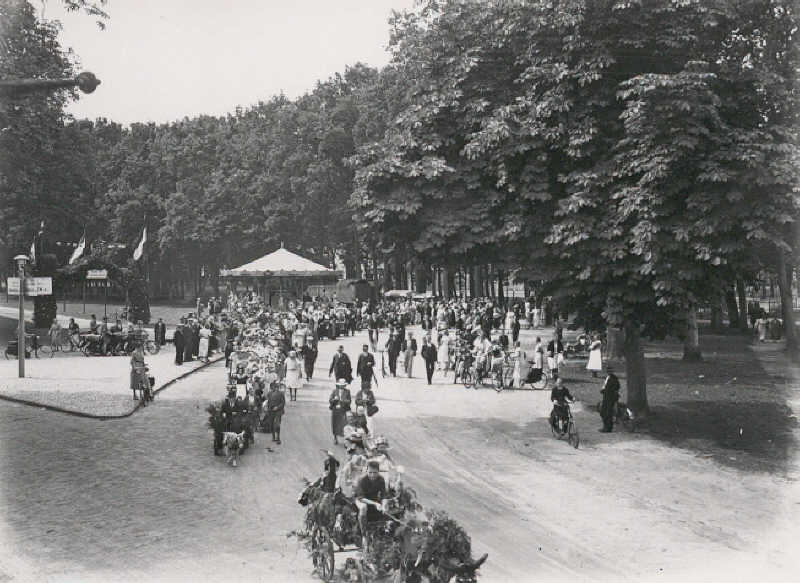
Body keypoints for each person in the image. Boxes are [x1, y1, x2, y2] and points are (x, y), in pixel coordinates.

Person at [355, 460, 387, 547]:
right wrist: (376, 504)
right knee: (363, 507)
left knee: (387, 509)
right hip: (361, 500)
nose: (372, 475)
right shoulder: (361, 480)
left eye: (375, 473)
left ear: (378, 471)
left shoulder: (381, 479)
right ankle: (364, 535)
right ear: (367, 471)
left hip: (374, 500)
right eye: (370, 472)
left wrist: (384, 505)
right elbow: (361, 498)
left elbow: (384, 495)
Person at [329, 379, 352, 445]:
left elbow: (349, 401)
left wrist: (343, 401)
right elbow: (330, 400)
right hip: (336, 410)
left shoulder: (347, 391)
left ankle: (345, 440)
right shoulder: (334, 391)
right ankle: (335, 438)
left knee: (344, 425)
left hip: (344, 410)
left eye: (343, 385)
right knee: (335, 424)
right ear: (338, 385)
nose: (342, 386)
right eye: (341, 385)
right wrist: (334, 399)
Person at [599, 366, 620, 432]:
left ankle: (608, 428)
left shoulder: (614, 378)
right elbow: (605, 386)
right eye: (608, 370)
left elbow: (616, 388)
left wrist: (605, 390)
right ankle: (605, 426)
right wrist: (603, 390)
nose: (609, 372)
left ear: (612, 371)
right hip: (606, 397)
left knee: (608, 413)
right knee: (603, 412)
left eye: (610, 370)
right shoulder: (607, 377)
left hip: (611, 398)